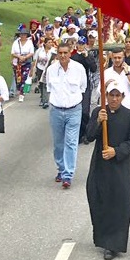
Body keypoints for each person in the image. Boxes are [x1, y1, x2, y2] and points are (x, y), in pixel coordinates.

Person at [85, 82, 130, 260]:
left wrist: (116, 151)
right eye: (111, 95)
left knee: (119, 203)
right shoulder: (98, 113)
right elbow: (89, 135)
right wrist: (99, 122)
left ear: (123, 97)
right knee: (99, 200)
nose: (114, 99)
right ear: (106, 96)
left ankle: (114, 244)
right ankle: (102, 238)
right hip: (100, 166)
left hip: (120, 167)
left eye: (118, 96)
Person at [46, 42, 88, 188]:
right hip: (56, 110)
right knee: (58, 144)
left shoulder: (79, 68)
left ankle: (68, 175)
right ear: (57, 54)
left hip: (74, 110)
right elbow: (49, 88)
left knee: (71, 142)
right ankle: (61, 168)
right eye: (60, 53)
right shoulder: (51, 69)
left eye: (65, 53)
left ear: (70, 52)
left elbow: (83, 87)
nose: (63, 55)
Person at [104, 49, 130, 113]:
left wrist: (128, 73)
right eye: (115, 58)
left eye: (119, 58)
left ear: (123, 58)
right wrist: (105, 85)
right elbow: (99, 92)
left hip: (127, 108)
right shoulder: (107, 72)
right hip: (111, 109)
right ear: (112, 58)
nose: (117, 60)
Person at [31, 36, 56, 109]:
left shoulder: (54, 51)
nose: (50, 44)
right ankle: (43, 97)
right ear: (45, 43)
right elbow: (35, 60)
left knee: (46, 84)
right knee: (41, 84)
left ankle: (45, 101)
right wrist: (32, 69)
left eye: (51, 42)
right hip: (40, 68)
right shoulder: (39, 50)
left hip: (49, 69)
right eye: (49, 42)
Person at [11, 26, 35, 102]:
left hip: (26, 62)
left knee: (24, 77)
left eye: (24, 34)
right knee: (18, 78)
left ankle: (22, 94)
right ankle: (19, 89)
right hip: (17, 63)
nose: (23, 36)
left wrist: (25, 57)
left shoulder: (29, 42)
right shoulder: (16, 42)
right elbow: (12, 53)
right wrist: (19, 56)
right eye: (21, 34)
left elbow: (31, 52)